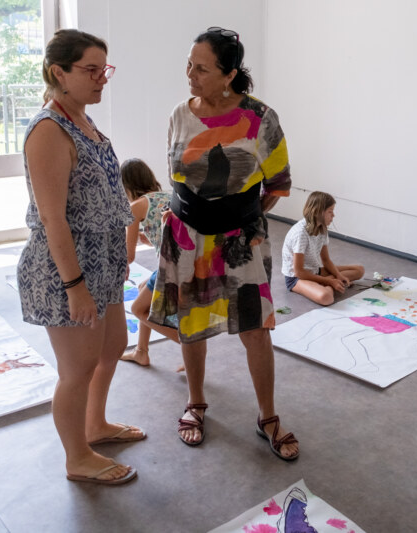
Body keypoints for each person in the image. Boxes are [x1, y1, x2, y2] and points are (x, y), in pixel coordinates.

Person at [149, 27, 299, 460]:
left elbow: (277, 182)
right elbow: (176, 173)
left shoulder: (259, 117)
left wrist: (241, 217)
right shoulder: (180, 113)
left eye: (201, 68)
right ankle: (195, 403)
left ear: (229, 73)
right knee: (191, 326)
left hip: (240, 239)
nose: (190, 75)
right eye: (189, 65)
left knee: (255, 328)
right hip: (185, 236)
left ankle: (267, 416)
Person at [16, 29, 143, 486]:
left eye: (104, 69)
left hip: (103, 263)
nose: (101, 79)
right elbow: (53, 219)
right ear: (59, 72)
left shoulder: (84, 121)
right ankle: (77, 457)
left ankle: (96, 425)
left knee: (111, 348)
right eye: (90, 70)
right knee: (77, 369)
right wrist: (75, 287)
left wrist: (120, 252)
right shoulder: (48, 131)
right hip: (65, 269)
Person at [118, 158, 182, 369]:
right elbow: (164, 230)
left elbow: (129, 256)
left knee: (138, 309)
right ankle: (141, 352)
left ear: (126, 186)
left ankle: (189, 346)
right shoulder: (170, 196)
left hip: (171, 269)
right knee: (142, 287)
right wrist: (149, 238)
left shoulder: (136, 206)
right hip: (186, 263)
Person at [281, 192, 365, 306]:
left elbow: (326, 260)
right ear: (318, 212)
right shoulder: (300, 233)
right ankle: (328, 285)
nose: (333, 215)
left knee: (359, 270)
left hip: (315, 271)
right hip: (296, 278)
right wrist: (330, 281)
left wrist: (338, 275)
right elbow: (299, 272)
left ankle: (328, 282)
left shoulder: (322, 229)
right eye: (330, 211)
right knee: (326, 298)